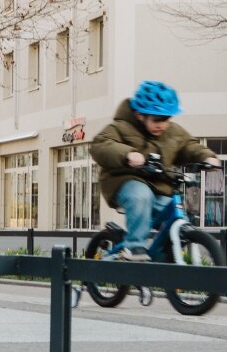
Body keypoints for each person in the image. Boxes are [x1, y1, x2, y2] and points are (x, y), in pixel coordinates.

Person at [89, 81, 219, 261]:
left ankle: (162, 258)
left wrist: (206, 156)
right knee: (141, 196)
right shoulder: (120, 127)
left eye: (166, 119)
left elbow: (188, 146)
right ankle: (134, 247)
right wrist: (128, 154)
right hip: (124, 181)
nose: (162, 125)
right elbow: (101, 145)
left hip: (159, 186)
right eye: (156, 120)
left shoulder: (172, 131)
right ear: (140, 114)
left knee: (173, 213)